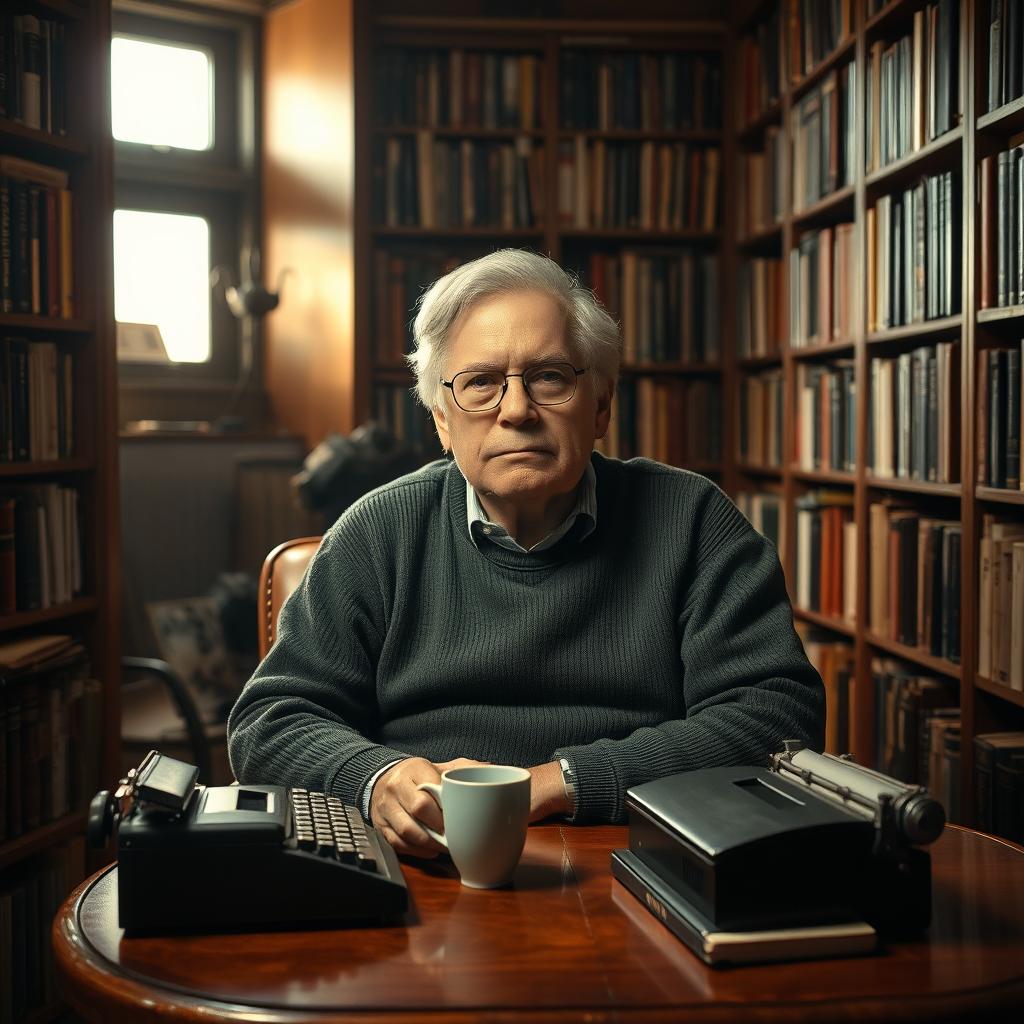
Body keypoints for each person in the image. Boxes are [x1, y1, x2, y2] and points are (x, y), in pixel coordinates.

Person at [227, 249, 824, 859]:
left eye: (549, 377)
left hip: (635, 857)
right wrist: (372, 778)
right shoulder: (379, 530)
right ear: (440, 420)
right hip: (426, 863)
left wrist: (562, 783)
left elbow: (777, 716)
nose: (516, 411)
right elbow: (269, 721)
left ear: (600, 406)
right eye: (480, 383)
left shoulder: (692, 520)